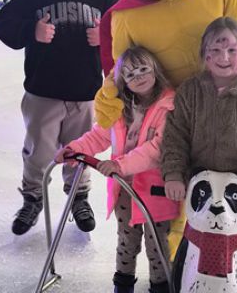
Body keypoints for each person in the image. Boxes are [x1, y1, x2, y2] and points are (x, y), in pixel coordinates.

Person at [0, 0, 119, 236]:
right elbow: (3, 22)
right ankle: (32, 198)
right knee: (38, 152)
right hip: (43, 92)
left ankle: (79, 197)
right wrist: (31, 31)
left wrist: (106, 37)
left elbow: (128, 28)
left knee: (81, 152)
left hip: (85, 92)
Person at [161, 17, 237, 293]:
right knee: (195, 242)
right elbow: (175, 135)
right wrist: (173, 173)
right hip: (203, 187)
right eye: (215, 50)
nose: (223, 57)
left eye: (231, 50)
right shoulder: (191, 91)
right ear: (205, 54)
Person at [55, 46, 179, 293]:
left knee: (158, 245)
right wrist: (74, 149)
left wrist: (120, 165)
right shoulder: (120, 108)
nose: (139, 77)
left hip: (156, 190)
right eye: (131, 74)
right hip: (124, 190)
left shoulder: (168, 106)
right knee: (126, 240)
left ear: (155, 70)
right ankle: (123, 283)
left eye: (143, 69)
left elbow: (157, 149)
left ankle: (160, 285)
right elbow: (99, 136)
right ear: (123, 81)